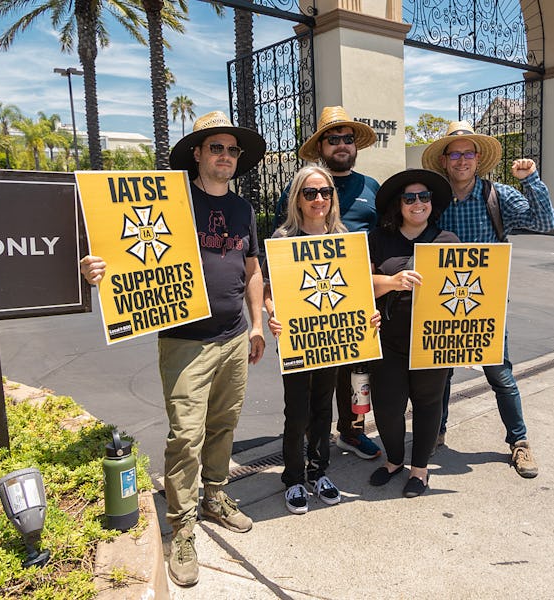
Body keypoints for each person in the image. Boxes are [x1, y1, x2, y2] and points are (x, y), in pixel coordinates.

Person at [81, 111, 267, 587]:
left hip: (233, 336)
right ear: (198, 154)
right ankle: (181, 527)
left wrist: (257, 324)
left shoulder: (244, 210)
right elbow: (121, 245)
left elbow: (252, 270)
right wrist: (96, 268)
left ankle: (216, 496)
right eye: (216, 148)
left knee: (224, 423)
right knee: (186, 435)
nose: (225, 156)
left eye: (231, 150)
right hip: (185, 342)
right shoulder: (172, 201)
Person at [421, 120, 554, 478]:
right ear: (445, 160)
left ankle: (520, 442)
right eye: (455, 153)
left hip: (486, 304)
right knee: (440, 372)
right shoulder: (432, 199)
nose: (462, 160)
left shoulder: (499, 196)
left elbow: (545, 223)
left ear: (477, 158)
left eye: (468, 153)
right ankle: (436, 431)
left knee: (500, 374)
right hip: (440, 301)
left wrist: (531, 181)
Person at [273, 106, 383, 460]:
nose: (341, 145)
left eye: (347, 139)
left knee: (356, 379)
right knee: (311, 387)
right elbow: (279, 252)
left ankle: (351, 432)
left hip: (354, 302)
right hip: (308, 302)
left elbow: (383, 242)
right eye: (332, 139)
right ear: (320, 147)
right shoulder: (299, 188)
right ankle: (311, 441)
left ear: (355, 145)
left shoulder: (372, 188)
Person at [367, 169, 460, 498]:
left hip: (432, 341)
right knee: (388, 408)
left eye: (424, 197)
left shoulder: (448, 241)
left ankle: (419, 470)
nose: (417, 203)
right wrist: (393, 281)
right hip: (388, 340)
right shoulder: (379, 239)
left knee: (428, 403)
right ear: (399, 204)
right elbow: (361, 285)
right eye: (410, 197)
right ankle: (393, 461)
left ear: (431, 203)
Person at [263, 166, 346, 515]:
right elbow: (268, 289)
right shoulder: (284, 239)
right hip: (298, 339)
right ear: (298, 198)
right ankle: (294, 476)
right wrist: (271, 313)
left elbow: (352, 289)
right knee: (297, 412)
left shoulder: (342, 237)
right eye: (310, 193)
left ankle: (319, 471)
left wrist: (367, 314)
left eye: (325, 192)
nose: (319, 199)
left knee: (323, 409)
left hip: (331, 338)